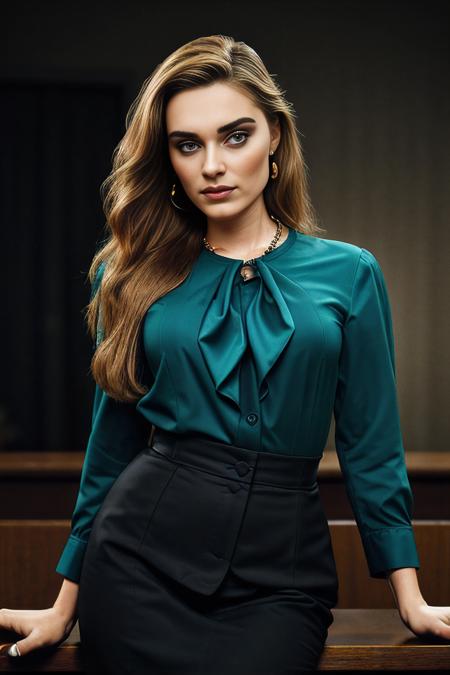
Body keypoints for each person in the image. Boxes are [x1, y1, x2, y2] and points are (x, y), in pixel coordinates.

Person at [2, 33, 450, 673]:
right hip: (136, 564)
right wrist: (63, 604)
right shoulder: (132, 278)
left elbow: (370, 443)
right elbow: (112, 446)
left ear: (275, 140)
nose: (212, 163)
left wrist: (410, 594)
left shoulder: (350, 274)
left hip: (282, 578)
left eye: (235, 136)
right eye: (189, 144)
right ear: (171, 162)